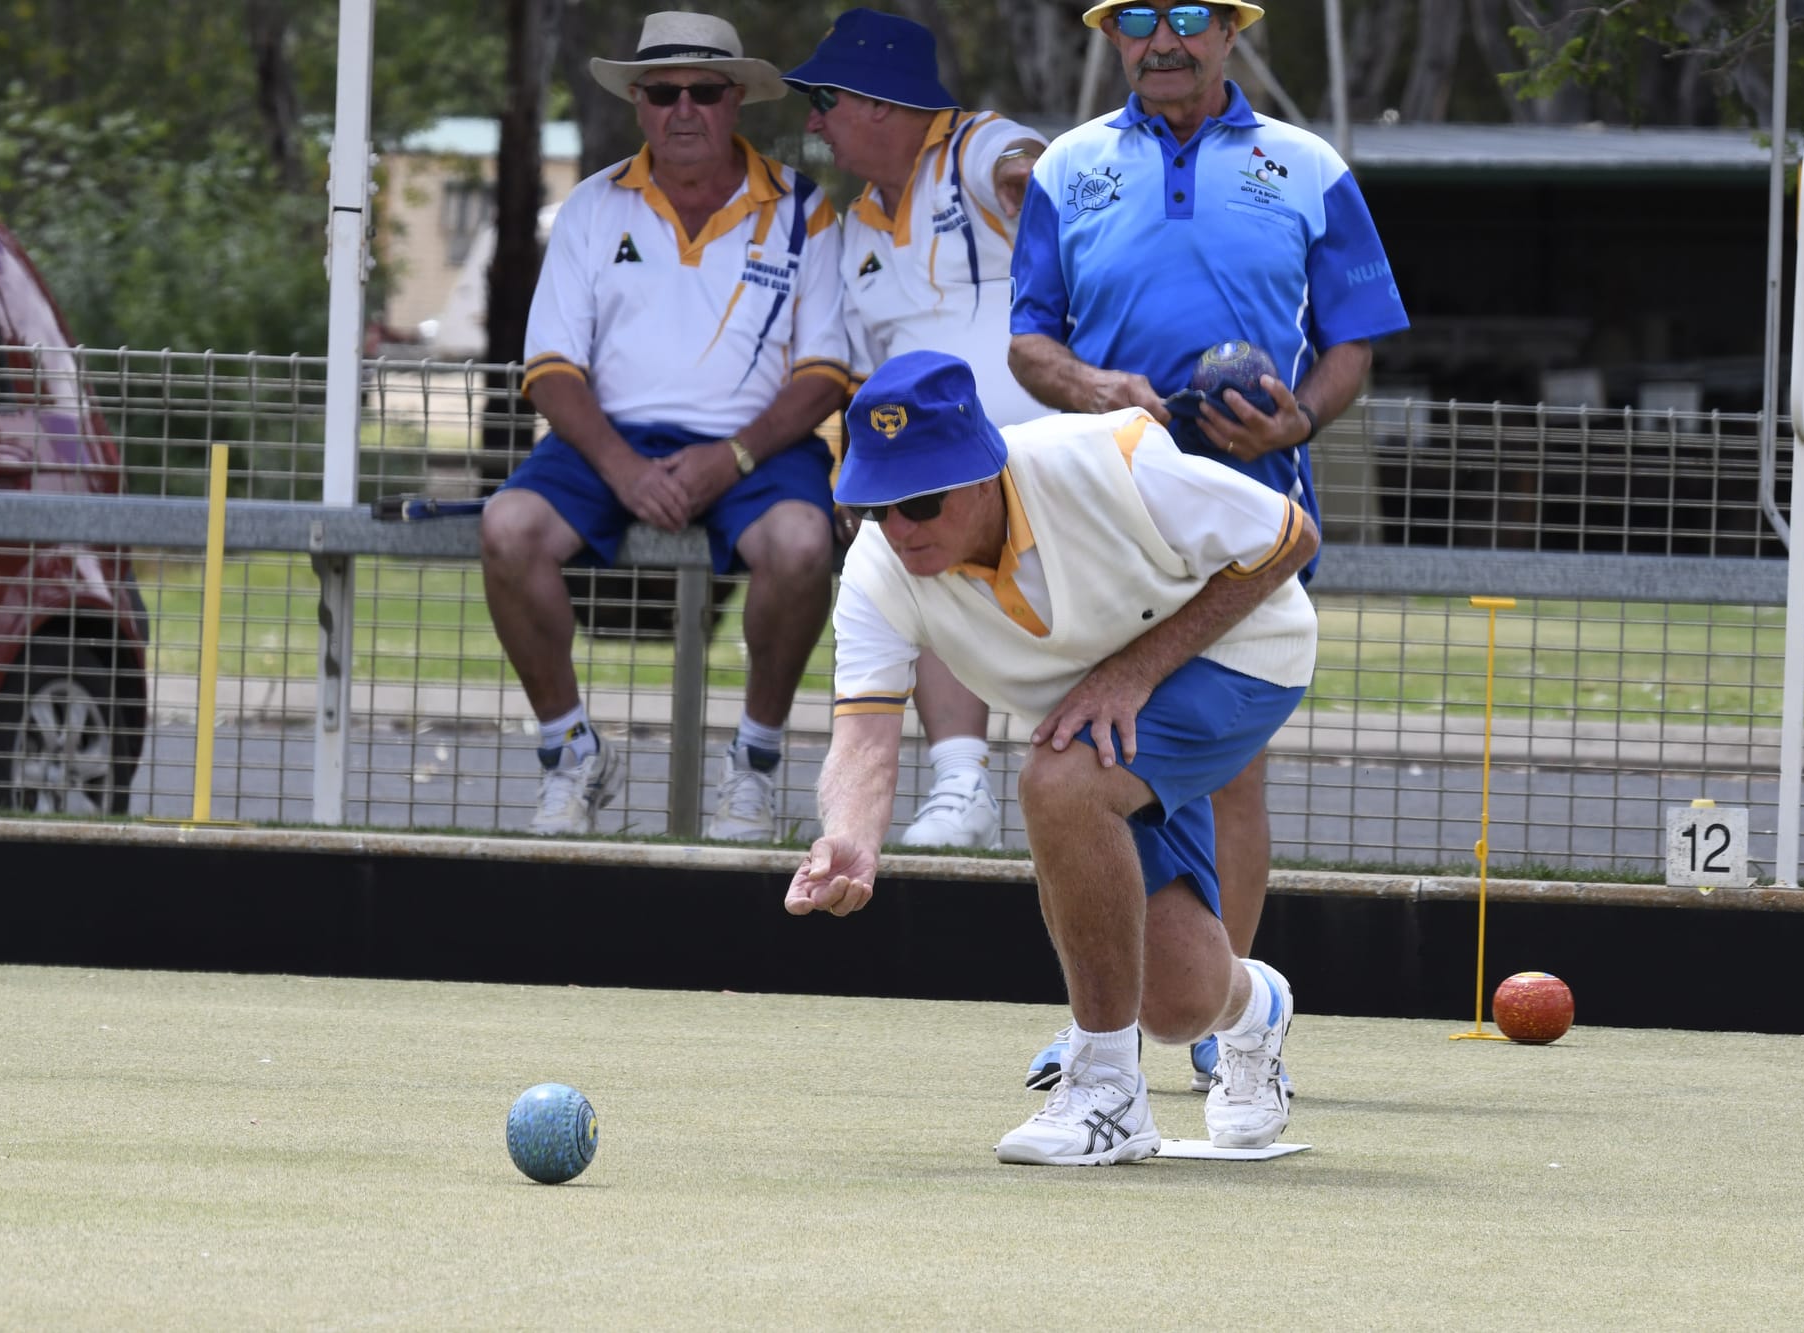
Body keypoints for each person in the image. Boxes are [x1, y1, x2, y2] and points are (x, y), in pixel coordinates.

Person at [1007, 0, 1410, 1091]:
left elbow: (1353, 339)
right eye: (1137, 18)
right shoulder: (1066, 169)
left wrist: (1298, 422)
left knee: (1227, 776)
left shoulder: (1308, 164)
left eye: (1190, 15)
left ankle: (1213, 1012)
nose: (1163, 39)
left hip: (1247, 510)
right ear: (1110, 37)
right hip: (1102, 513)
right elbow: (1029, 341)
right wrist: (1097, 390)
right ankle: (1099, 1017)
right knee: (1081, 757)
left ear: (1232, 31)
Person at [785, 350, 1321, 1166]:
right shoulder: (878, 567)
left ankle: (1108, 1092)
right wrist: (850, 837)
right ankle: (1258, 1008)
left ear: (980, 473)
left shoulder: (1108, 458)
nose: (898, 529)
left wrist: (1136, 671)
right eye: (873, 505)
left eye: (920, 501)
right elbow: (863, 733)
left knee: (1058, 779)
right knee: (1178, 1001)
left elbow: (1290, 534)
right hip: (1098, 712)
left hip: (1249, 656)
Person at [479, 12, 849, 840]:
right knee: (507, 530)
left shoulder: (805, 211)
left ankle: (753, 763)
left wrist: (734, 454)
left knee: (801, 548)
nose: (684, 108)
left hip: (759, 446)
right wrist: (620, 468)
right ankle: (569, 751)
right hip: (610, 440)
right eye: (663, 91)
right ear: (639, 104)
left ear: (737, 103)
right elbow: (550, 370)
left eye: (705, 90)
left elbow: (826, 373)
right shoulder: (590, 205)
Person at [781, 9, 1050, 850]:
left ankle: (1102, 799)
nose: (812, 120)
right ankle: (961, 788)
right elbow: (862, 375)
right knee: (915, 567)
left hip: (1044, 451)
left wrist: (1025, 182)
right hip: (923, 463)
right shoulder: (855, 223)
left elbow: (1022, 162)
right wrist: (853, 468)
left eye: (826, 98)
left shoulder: (970, 145)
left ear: (883, 103)